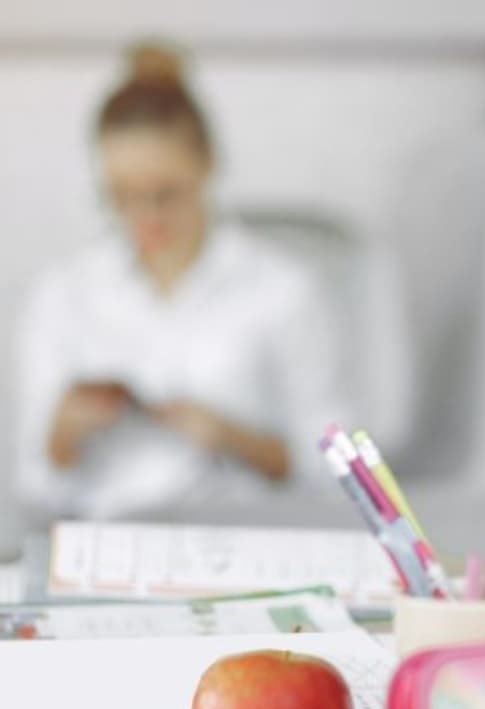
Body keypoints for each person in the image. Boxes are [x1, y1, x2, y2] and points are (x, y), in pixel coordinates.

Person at [15, 43, 345, 521]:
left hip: (243, 539)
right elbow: (32, 483)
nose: (146, 217)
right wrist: (62, 435)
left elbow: (342, 471)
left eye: (165, 194)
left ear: (207, 165)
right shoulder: (63, 295)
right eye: (123, 197)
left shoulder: (284, 291)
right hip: (105, 541)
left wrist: (234, 438)